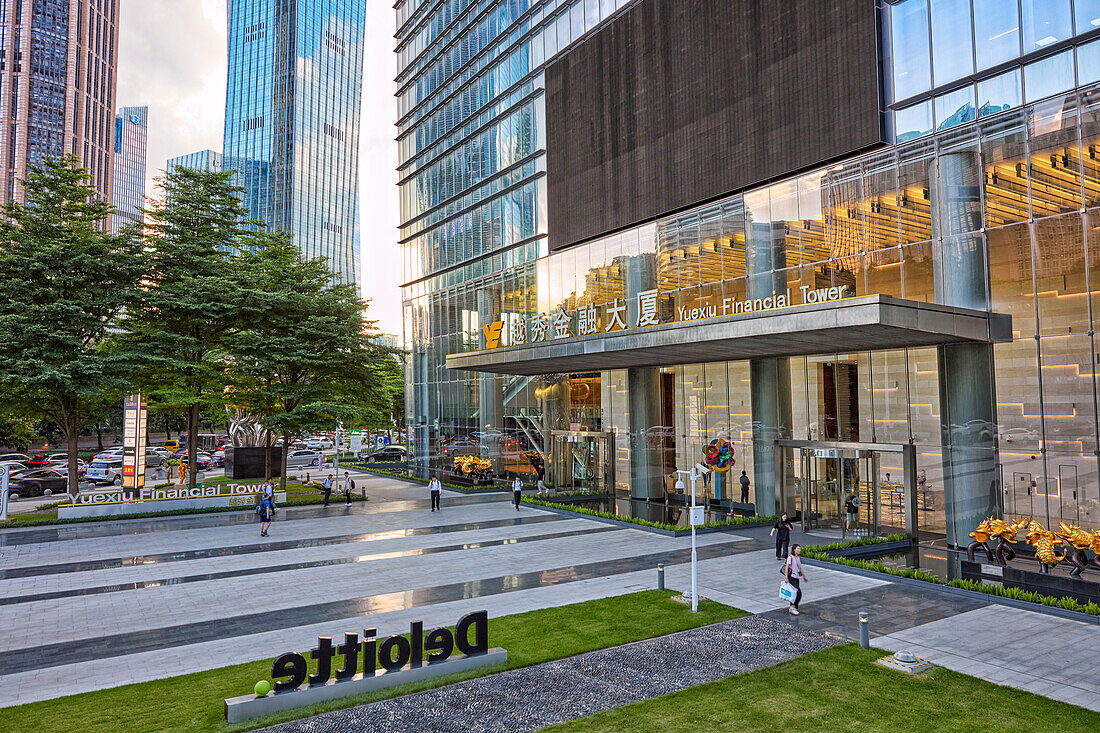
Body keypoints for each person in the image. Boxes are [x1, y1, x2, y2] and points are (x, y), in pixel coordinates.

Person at [784, 544, 806, 615]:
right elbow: (787, 568)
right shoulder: (790, 557)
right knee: (798, 592)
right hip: (791, 578)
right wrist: (786, 578)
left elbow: (799, 567)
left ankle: (793, 607)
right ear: (794, 550)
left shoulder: (798, 558)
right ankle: (792, 608)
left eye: (800, 549)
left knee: (795, 593)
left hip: (796, 578)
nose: (799, 550)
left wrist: (804, 576)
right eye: (798, 549)